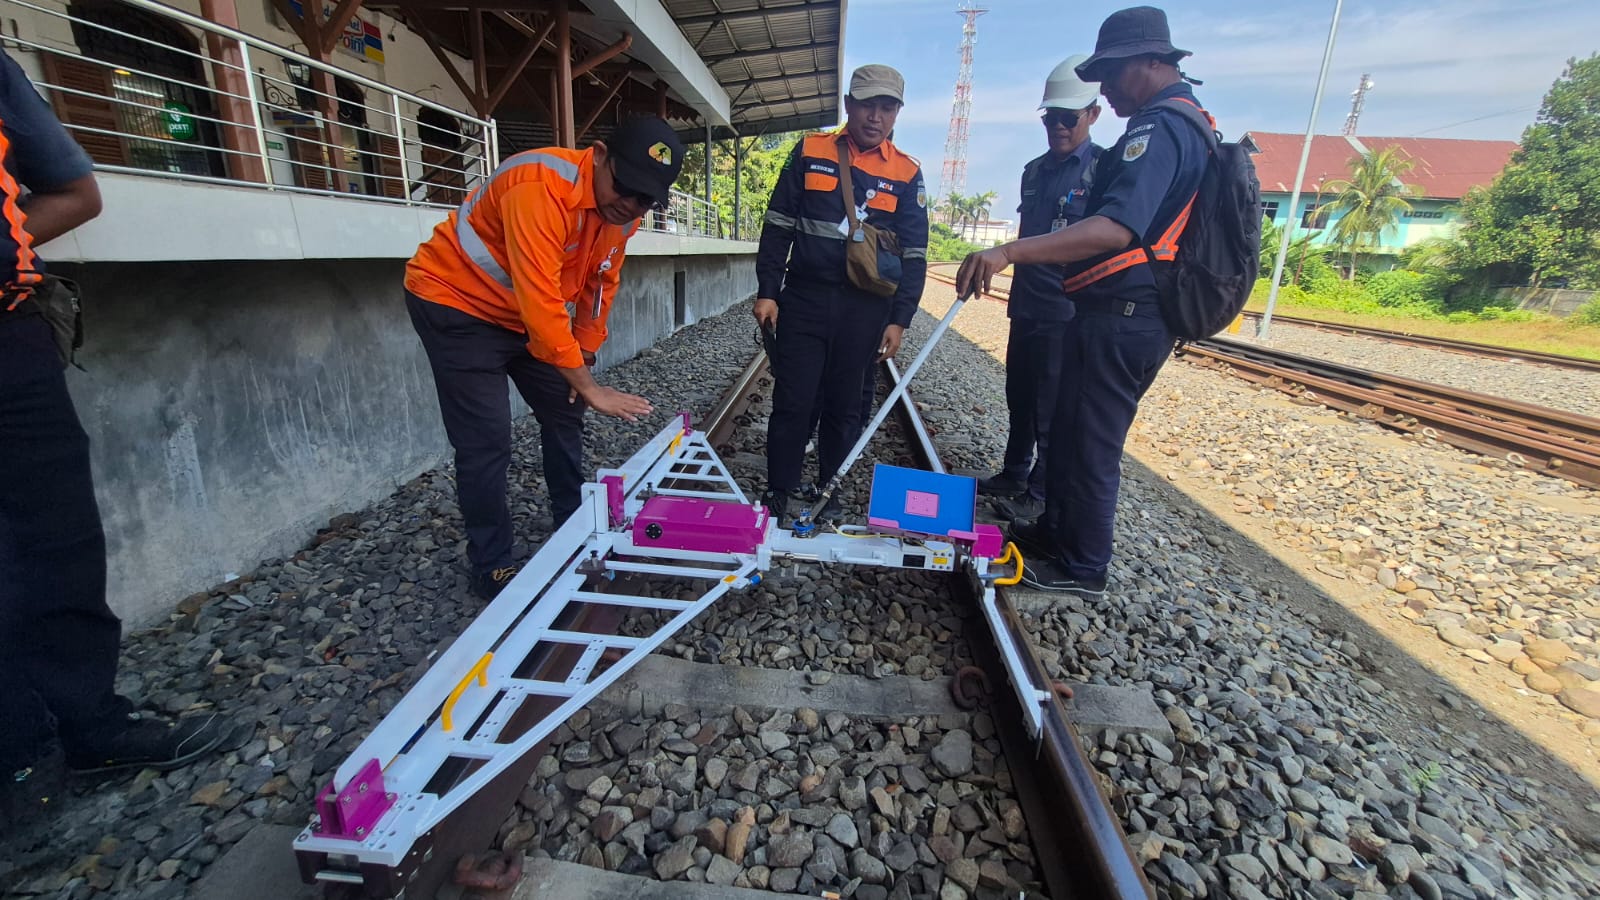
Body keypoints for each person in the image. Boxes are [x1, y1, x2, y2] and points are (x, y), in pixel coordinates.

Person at [0, 49, 225, 834]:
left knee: (60, 540)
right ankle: (19, 756)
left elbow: (73, 192)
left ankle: (90, 726)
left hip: (7, 330)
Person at [957, 6, 1210, 595]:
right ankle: (1054, 533)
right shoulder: (1175, 121)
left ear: (1149, 63)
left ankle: (1083, 567)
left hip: (1130, 317)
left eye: (1111, 74)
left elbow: (1116, 229)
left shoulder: (1162, 127)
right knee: (1067, 431)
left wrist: (1011, 252)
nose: (1107, 88)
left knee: (1091, 444)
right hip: (1106, 315)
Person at [405, 118, 684, 600]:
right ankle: (491, 564)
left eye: (645, 199)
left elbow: (600, 286)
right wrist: (593, 389)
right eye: (625, 187)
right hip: (457, 304)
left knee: (565, 407)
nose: (631, 204)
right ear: (598, 155)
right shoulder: (539, 187)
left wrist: (586, 360)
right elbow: (541, 302)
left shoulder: (622, 215)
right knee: (487, 439)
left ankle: (572, 523)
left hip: (523, 317)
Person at [755, 64, 930, 523]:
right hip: (805, 299)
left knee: (844, 404)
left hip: (865, 309)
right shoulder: (810, 151)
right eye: (867, 104)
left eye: (887, 106)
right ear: (849, 104)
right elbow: (777, 224)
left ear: (897, 113)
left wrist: (900, 318)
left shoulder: (907, 173)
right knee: (793, 400)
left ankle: (828, 488)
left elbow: (915, 253)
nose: (875, 116)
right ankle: (779, 488)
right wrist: (768, 290)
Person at [975, 54, 1103, 523]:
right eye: (1051, 118)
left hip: (1068, 311)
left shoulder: (1103, 171)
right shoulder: (1034, 171)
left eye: (1068, 118)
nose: (1059, 127)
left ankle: (1041, 491)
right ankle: (1015, 471)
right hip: (1028, 304)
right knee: (1021, 394)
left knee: (1052, 406)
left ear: (1093, 114)